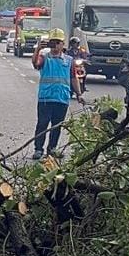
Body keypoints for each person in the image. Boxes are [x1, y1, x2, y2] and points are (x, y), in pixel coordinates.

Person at [30, 28, 84, 160]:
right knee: (42, 124)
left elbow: (74, 78)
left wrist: (79, 94)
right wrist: (38, 49)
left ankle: (52, 148)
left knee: (57, 126)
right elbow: (35, 64)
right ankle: (38, 149)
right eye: (52, 42)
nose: (55, 45)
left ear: (62, 44)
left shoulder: (69, 60)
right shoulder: (44, 57)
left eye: (57, 42)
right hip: (46, 98)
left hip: (62, 98)